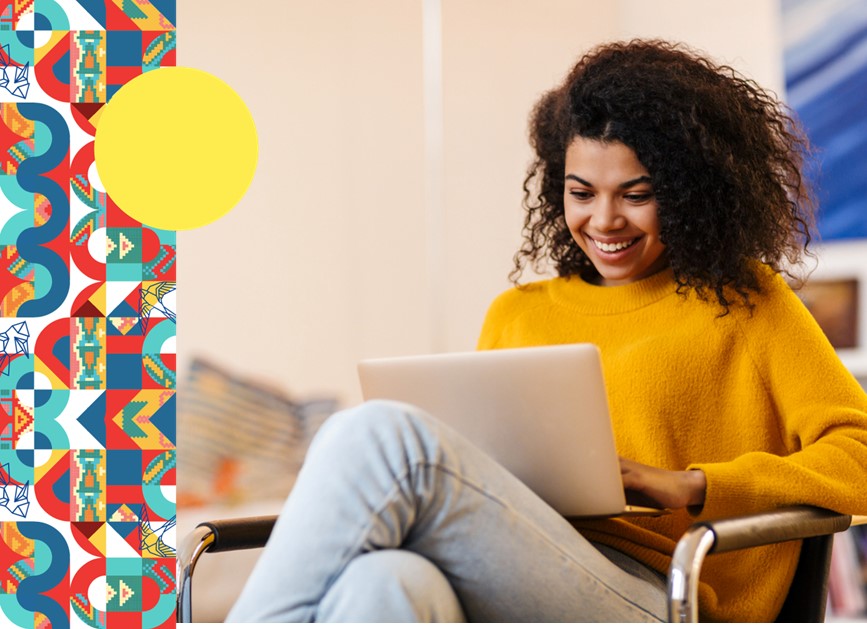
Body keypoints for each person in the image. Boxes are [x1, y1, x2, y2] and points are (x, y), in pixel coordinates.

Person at [225, 39, 867, 623]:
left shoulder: (748, 302)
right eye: (581, 192)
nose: (604, 219)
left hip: (662, 594)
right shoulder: (517, 313)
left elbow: (858, 452)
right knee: (384, 582)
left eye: (636, 194)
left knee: (376, 435)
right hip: (527, 567)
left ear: (690, 192)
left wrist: (694, 484)